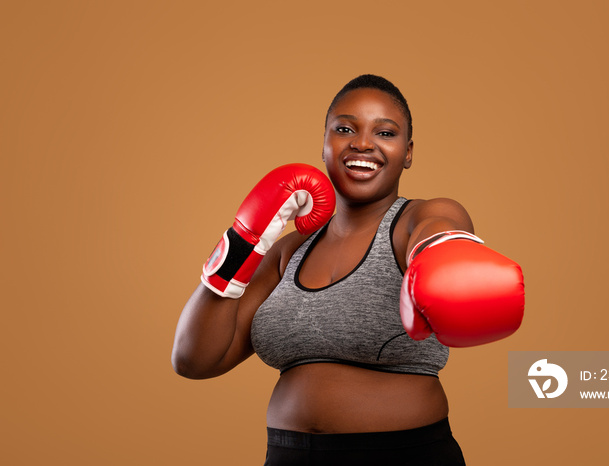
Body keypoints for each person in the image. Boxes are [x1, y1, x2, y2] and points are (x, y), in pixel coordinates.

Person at [171, 75, 524, 465]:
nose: (362, 143)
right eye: (345, 129)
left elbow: (441, 227)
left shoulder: (415, 220)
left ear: (407, 153)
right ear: (324, 144)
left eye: (385, 132)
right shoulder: (289, 250)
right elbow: (194, 359)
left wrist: (444, 252)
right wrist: (243, 240)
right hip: (288, 456)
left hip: (405, 456)